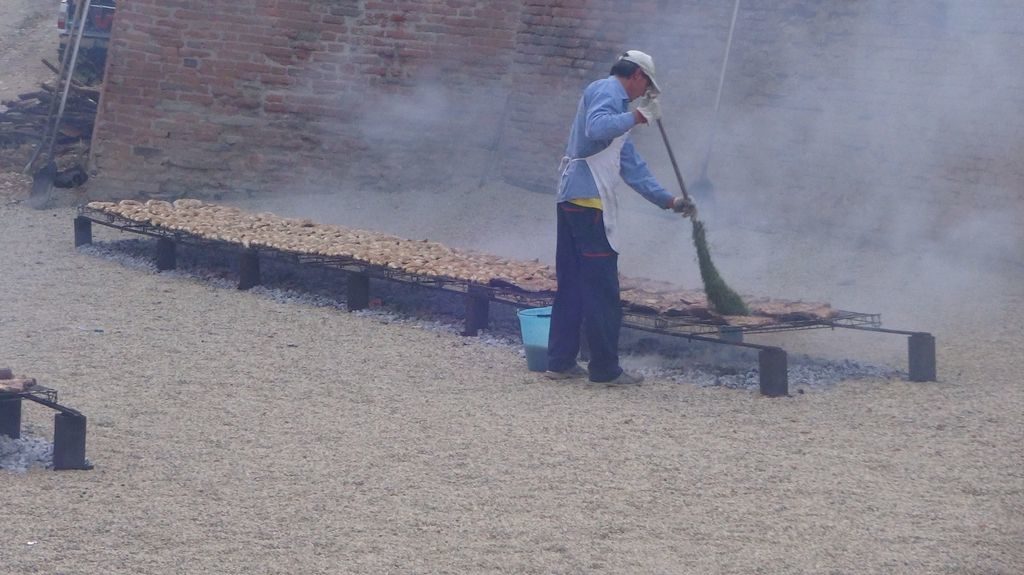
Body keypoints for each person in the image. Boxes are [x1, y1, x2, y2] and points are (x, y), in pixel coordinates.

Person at [545, 50, 695, 385]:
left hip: (572, 198)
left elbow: (631, 165)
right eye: (645, 86)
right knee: (601, 288)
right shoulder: (607, 90)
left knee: (571, 284)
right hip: (588, 202)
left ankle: (560, 361)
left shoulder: (617, 107)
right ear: (637, 75)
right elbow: (597, 128)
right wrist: (640, 116)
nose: (644, 93)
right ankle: (604, 369)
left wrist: (668, 201)